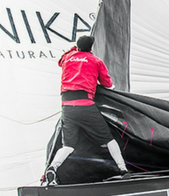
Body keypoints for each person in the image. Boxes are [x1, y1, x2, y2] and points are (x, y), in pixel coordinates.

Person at [43, 36, 128, 184]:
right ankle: (123, 170)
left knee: (68, 146)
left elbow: (60, 60)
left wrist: (74, 50)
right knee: (108, 139)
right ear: (91, 47)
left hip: (67, 107)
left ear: (77, 46)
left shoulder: (68, 58)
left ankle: (53, 168)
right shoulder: (95, 61)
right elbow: (107, 83)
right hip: (85, 105)